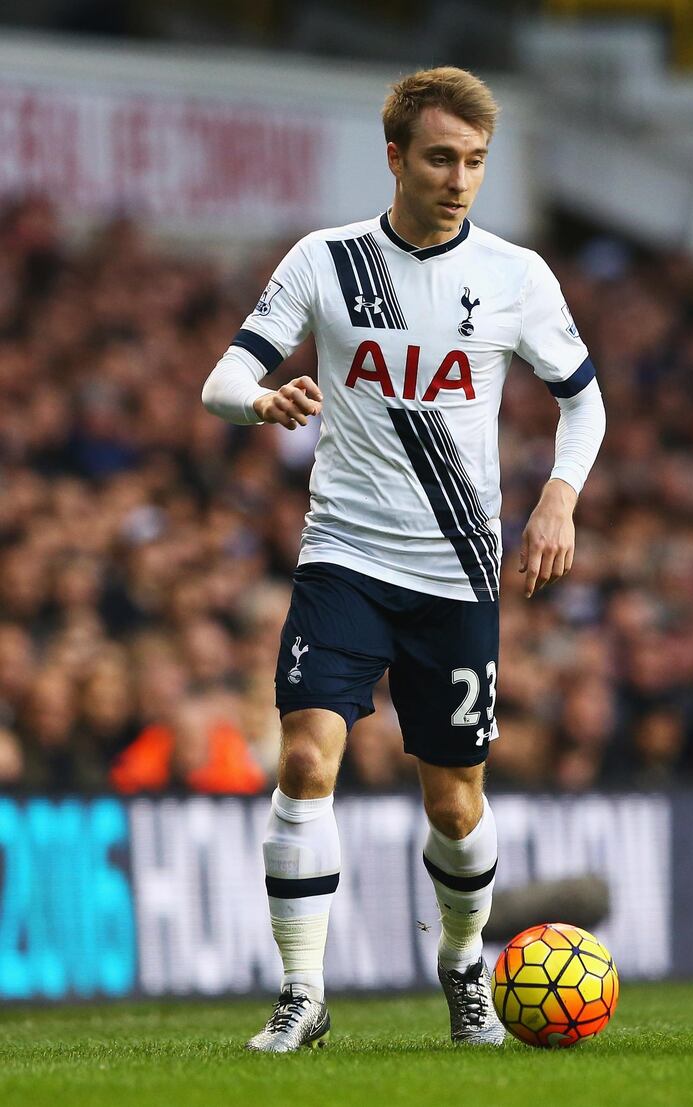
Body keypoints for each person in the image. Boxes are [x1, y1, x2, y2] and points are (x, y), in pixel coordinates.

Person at [202, 66, 605, 1052]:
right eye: (438, 157)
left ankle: (464, 965)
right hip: (341, 557)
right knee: (304, 757)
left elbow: (581, 398)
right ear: (393, 157)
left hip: (456, 572)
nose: (457, 177)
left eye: (472, 160)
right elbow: (223, 376)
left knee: (454, 797)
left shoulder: (515, 277)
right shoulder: (325, 261)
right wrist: (262, 401)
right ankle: (303, 994)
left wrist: (557, 497)